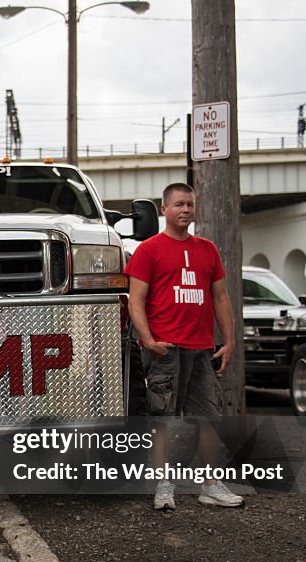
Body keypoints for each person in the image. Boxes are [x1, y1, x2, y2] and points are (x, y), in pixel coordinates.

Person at [123, 182, 244, 511]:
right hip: (165, 348)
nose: (185, 210)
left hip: (202, 349)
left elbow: (221, 297)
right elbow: (136, 300)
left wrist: (230, 342)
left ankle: (211, 485)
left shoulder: (208, 249)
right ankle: (163, 486)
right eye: (178, 204)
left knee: (209, 418)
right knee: (161, 419)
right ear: (164, 209)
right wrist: (148, 340)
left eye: (190, 204)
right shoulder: (148, 249)